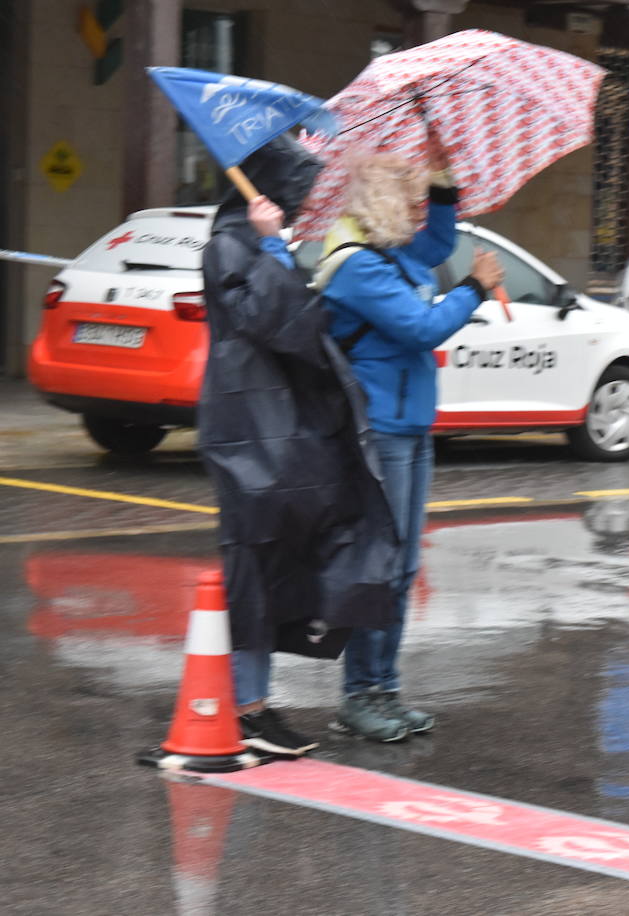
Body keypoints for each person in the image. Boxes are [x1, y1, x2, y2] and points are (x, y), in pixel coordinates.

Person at [200, 135, 403, 758]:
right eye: (295, 186)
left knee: (277, 560)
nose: (302, 201)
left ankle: (255, 703)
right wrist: (270, 246)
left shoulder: (251, 242)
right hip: (249, 429)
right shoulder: (230, 244)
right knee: (254, 565)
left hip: (275, 427)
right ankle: (248, 708)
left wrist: (275, 248)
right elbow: (273, 317)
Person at [314, 150, 504, 742]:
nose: (415, 205)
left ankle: (384, 689)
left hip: (411, 427)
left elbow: (438, 243)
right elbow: (422, 328)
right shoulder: (357, 268)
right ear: (378, 200)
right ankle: (359, 696)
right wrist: (475, 287)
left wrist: (445, 174)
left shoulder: (393, 255)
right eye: (407, 193)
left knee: (403, 568)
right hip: (381, 432)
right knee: (381, 566)